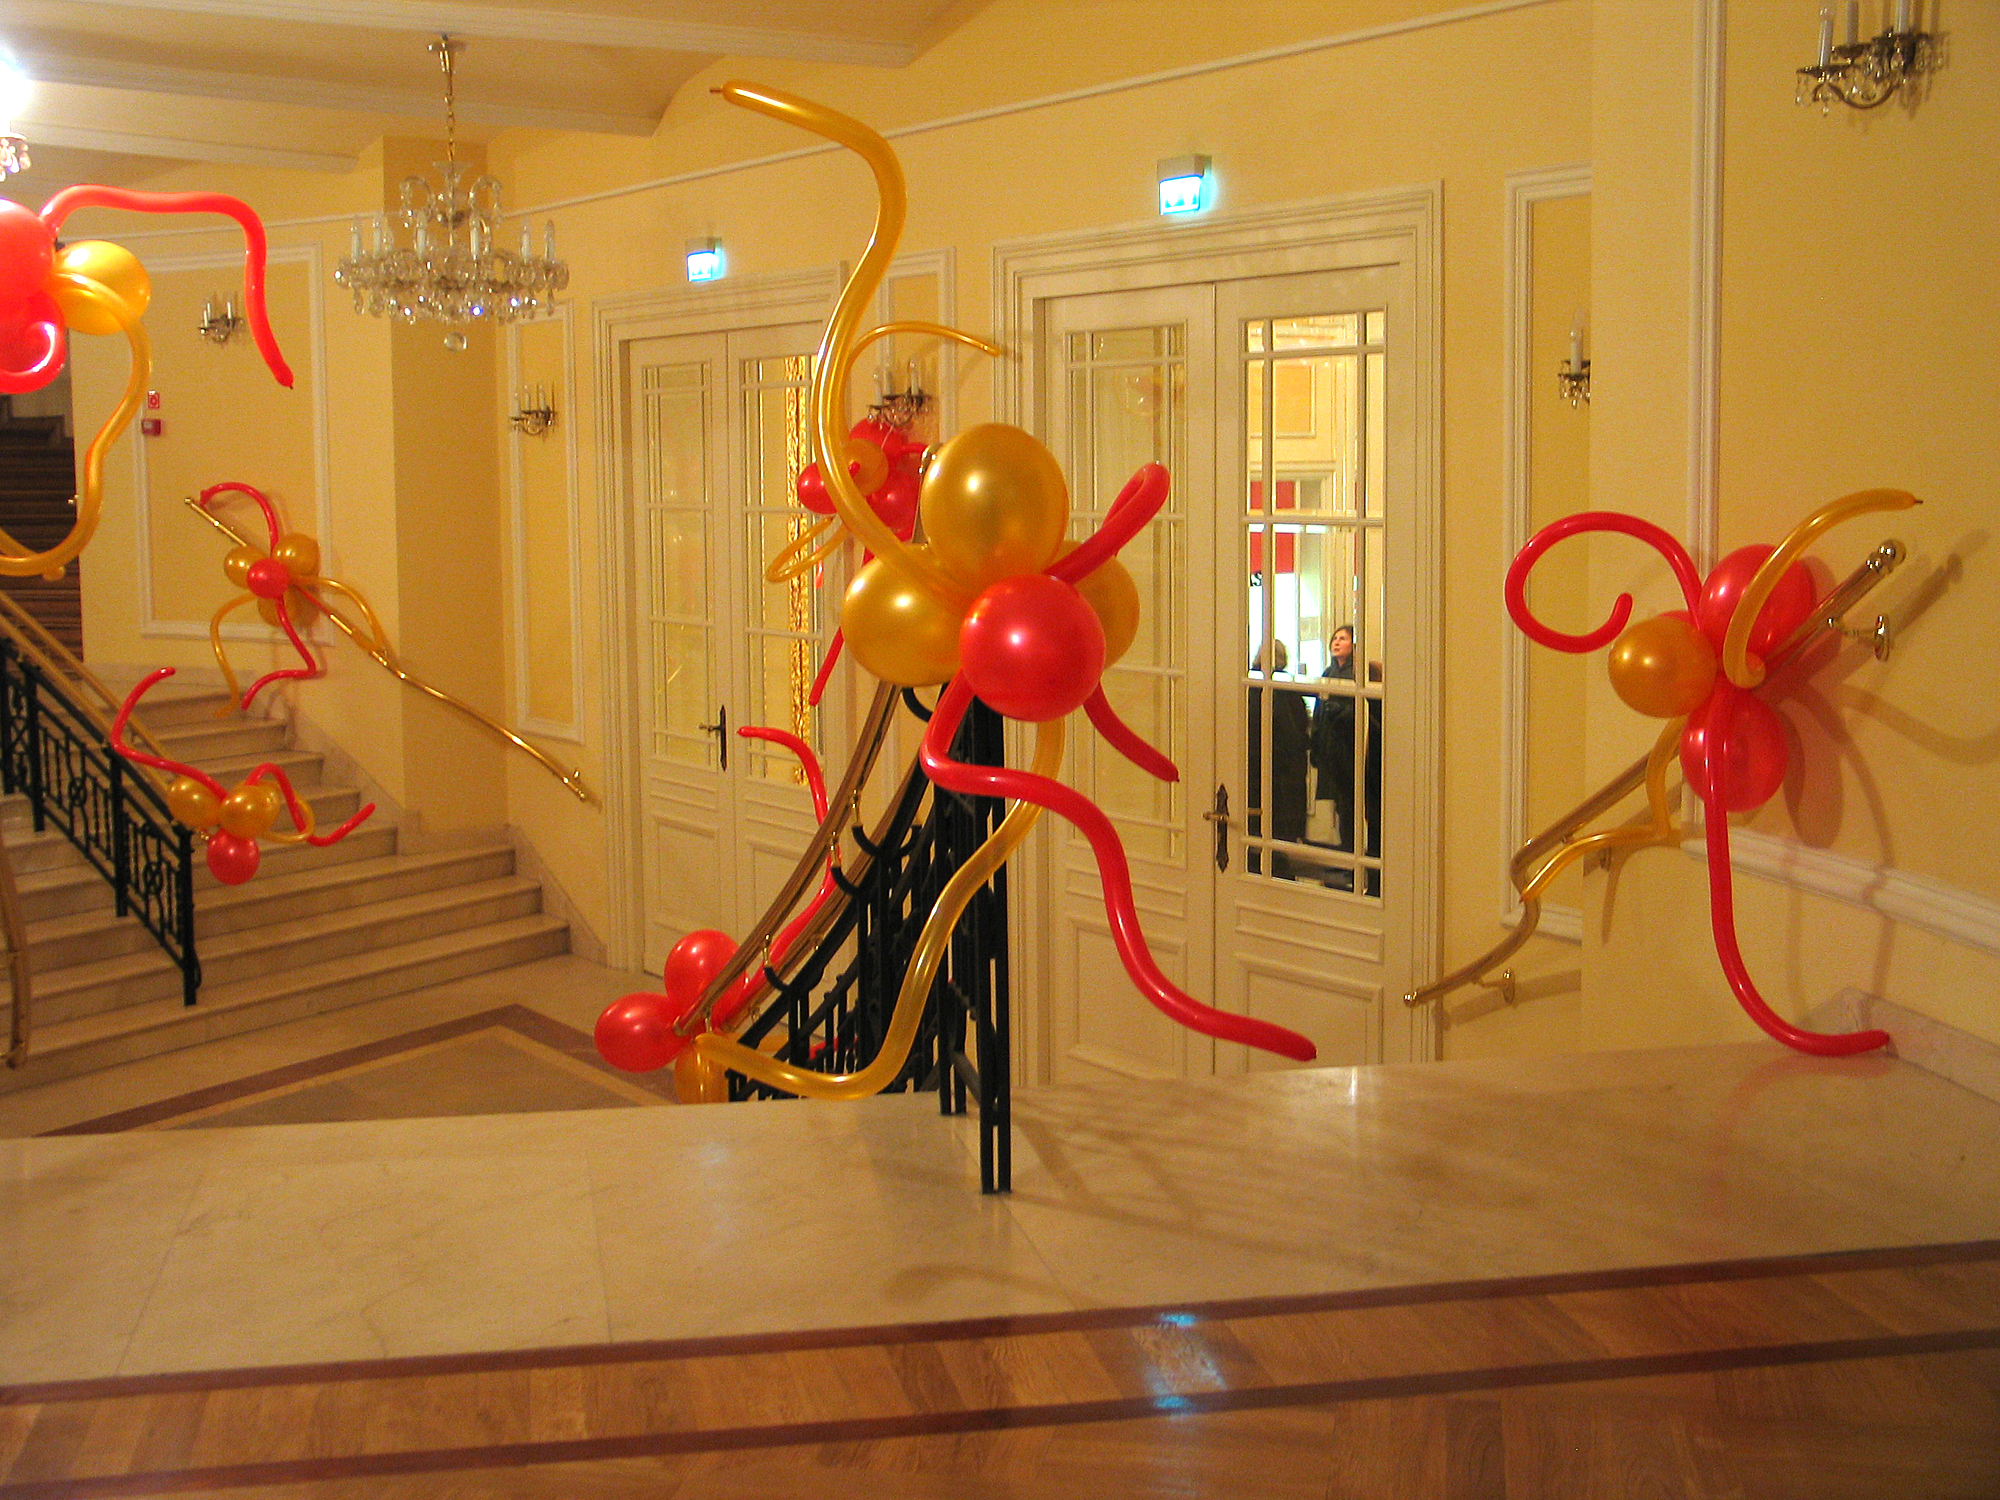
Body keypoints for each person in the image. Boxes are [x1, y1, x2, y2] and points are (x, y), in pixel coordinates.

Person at [1311, 625, 1381, 892]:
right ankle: (1346, 854)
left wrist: (1338, 712)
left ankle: (1357, 858)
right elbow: (1319, 710)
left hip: (1350, 748)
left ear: (1353, 645)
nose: (1337, 642)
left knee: (1353, 805)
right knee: (1340, 806)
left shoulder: (1357, 673)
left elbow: (1359, 711)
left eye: (1343, 638)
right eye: (1335, 638)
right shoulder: (1328, 673)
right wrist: (1316, 746)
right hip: (1331, 749)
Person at [1246, 640, 1311, 879]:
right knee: (1279, 824)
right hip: (1283, 771)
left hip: (1255, 766)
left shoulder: (1249, 686)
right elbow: (1297, 733)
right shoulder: (1288, 689)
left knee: (1257, 822)